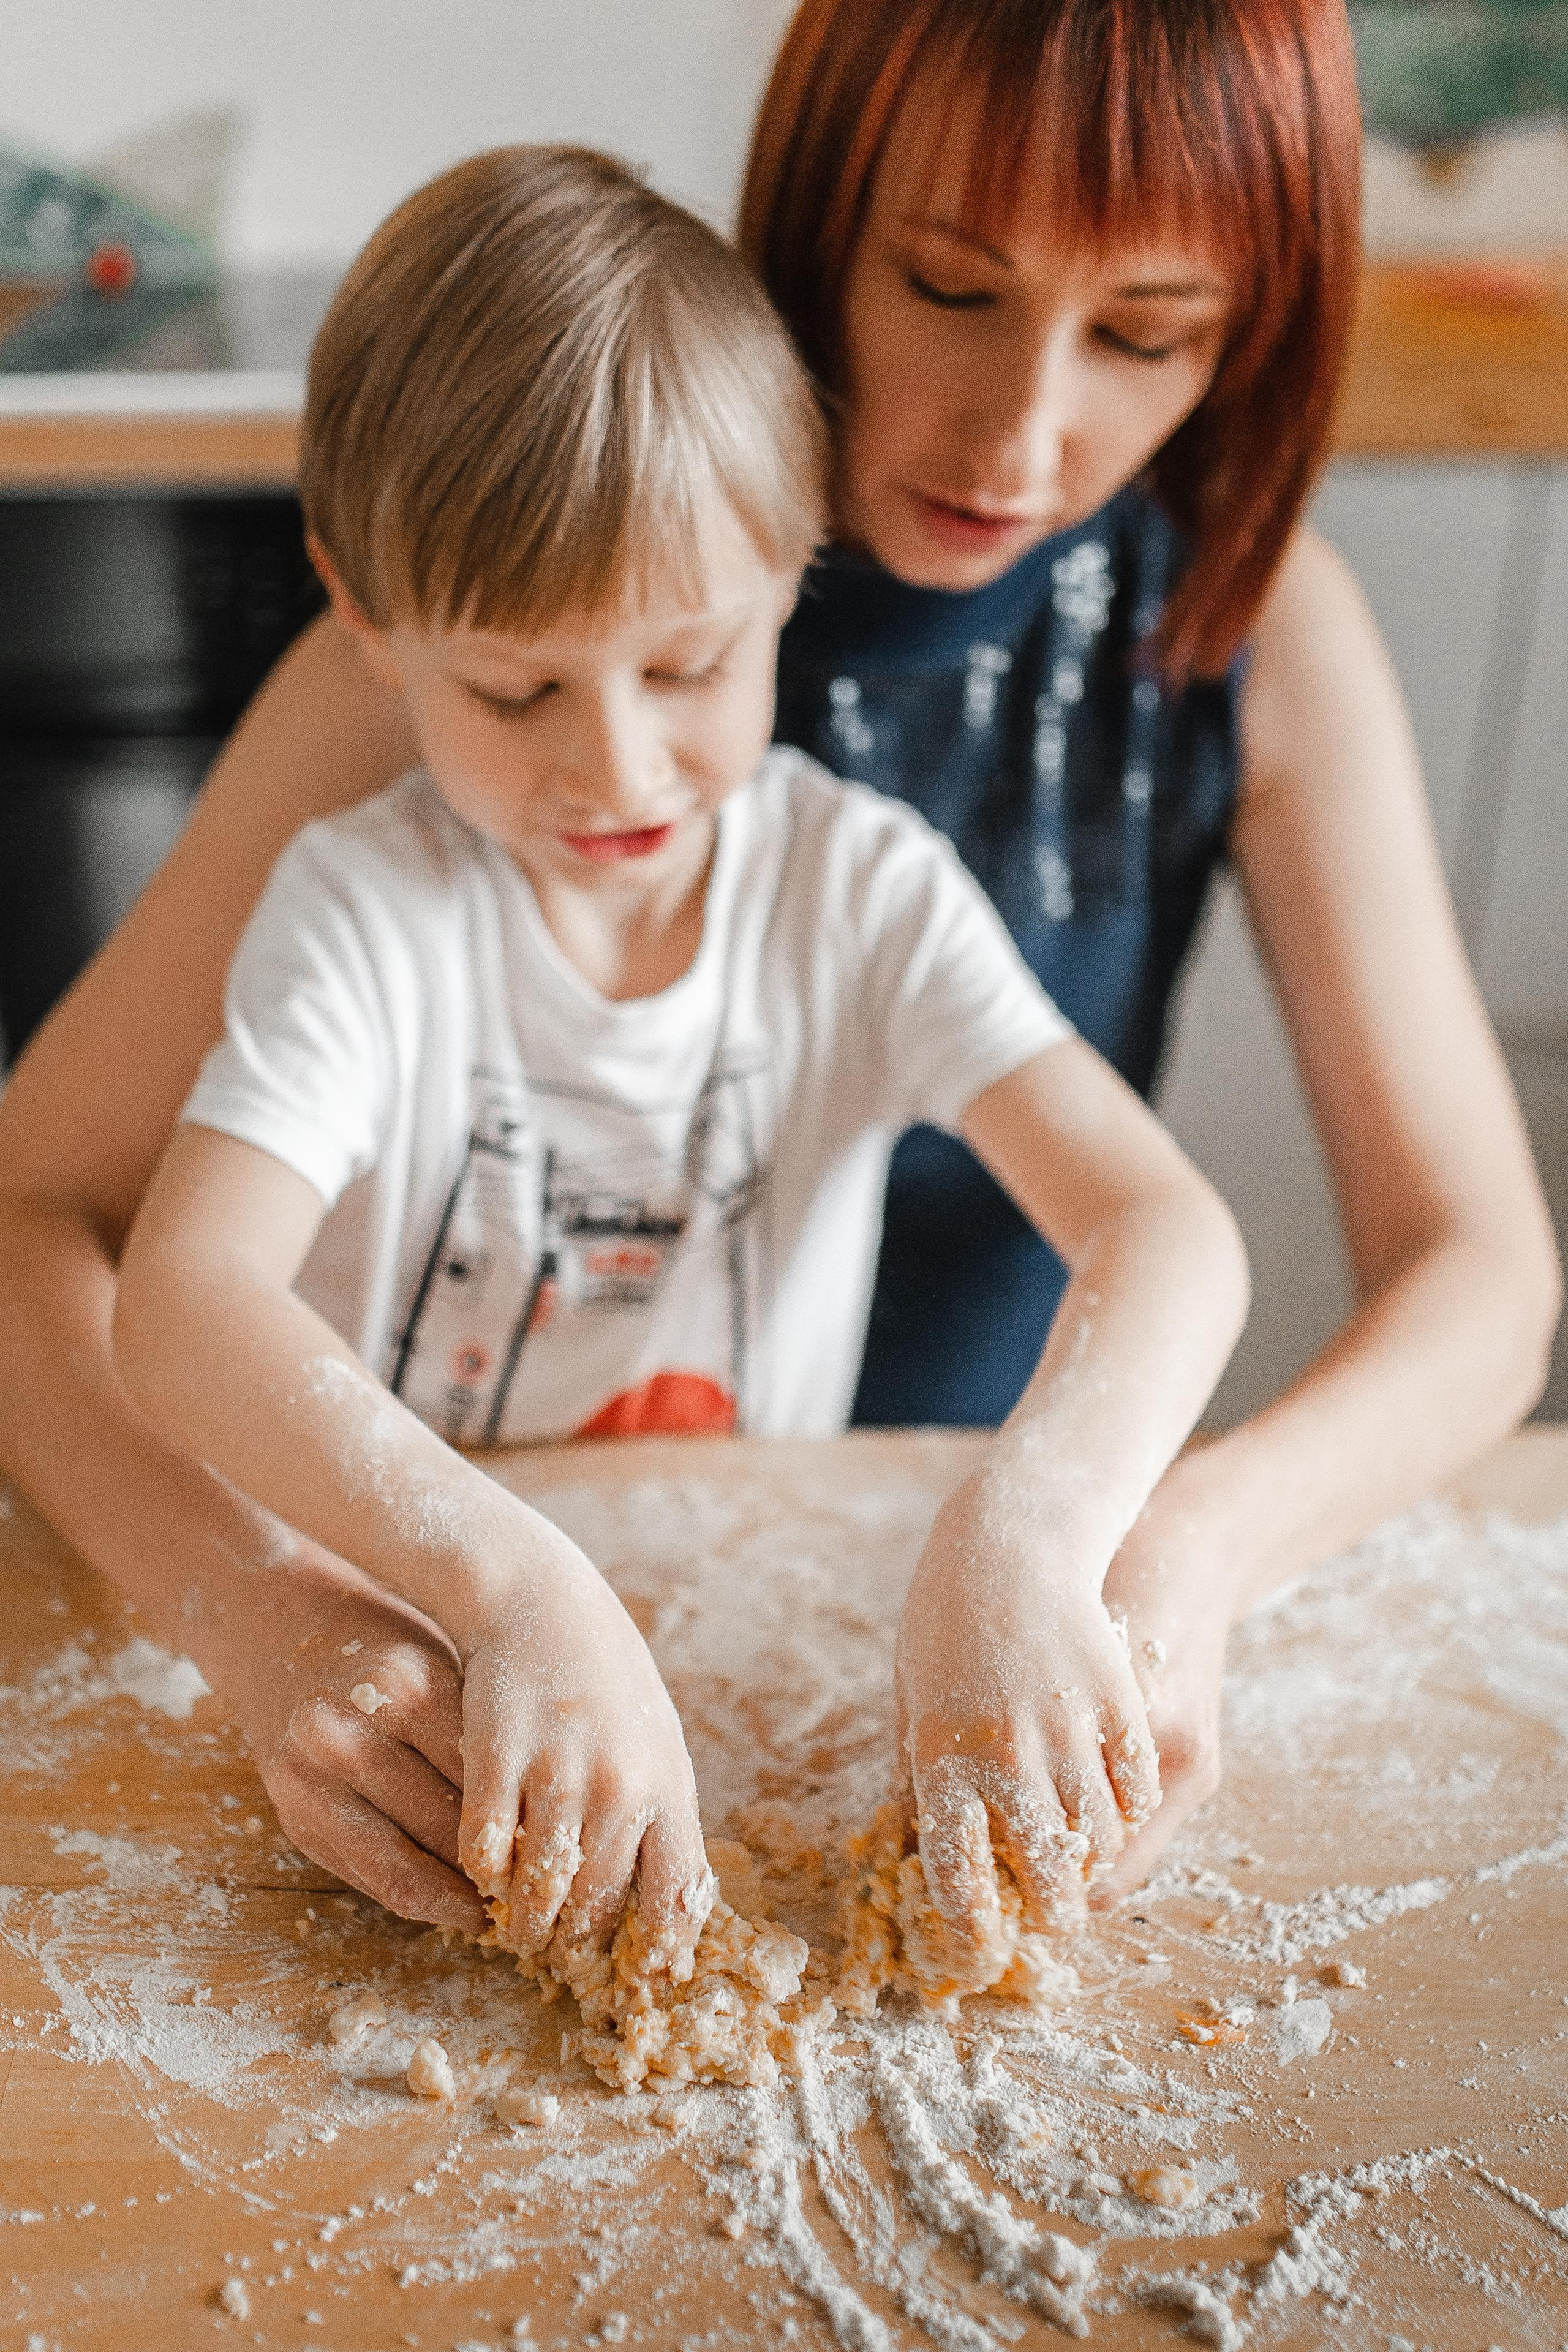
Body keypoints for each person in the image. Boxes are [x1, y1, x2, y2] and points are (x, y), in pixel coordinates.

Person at [0, 0, 1555, 1940]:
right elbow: (60, 1227)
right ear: (820, 212)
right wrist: (267, 1611)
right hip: (478, 1586)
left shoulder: (1141, 692)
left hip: (932, 1607)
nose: (1021, 430)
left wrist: (1148, 1556)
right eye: (949, 285)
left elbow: (1475, 1276)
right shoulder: (496, 569)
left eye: (1149, 332)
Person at [107, 145, 1248, 1962]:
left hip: (746, 1660)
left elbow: (1167, 1230)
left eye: (691, 664)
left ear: (799, 561)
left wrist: (1027, 1534)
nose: (617, 767)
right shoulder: (367, 912)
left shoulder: (858, 898)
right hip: (429, 1639)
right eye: (515, 688)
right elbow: (179, 1298)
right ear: (361, 606)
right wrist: (512, 1587)